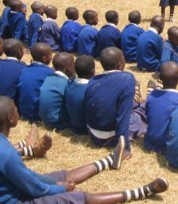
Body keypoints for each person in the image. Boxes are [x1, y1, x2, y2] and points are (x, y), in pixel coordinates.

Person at [0, 96, 169, 204]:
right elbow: (35, 190)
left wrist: (53, 182)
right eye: (15, 109)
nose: (17, 111)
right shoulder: (7, 155)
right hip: (18, 199)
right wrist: (61, 189)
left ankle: (109, 161)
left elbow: (30, 177)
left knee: (63, 175)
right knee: (77, 197)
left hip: (20, 188)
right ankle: (140, 193)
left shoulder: (5, 147)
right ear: (11, 119)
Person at [84, 47, 144, 158]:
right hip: (112, 137)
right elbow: (123, 117)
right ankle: (137, 95)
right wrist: (125, 147)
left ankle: (135, 96)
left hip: (93, 134)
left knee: (131, 104)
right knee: (142, 111)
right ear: (120, 65)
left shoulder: (93, 80)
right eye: (124, 59)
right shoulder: (127, 78)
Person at [144, 61, 178, 155]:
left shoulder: (152, 96)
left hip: (150, 142)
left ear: (160, 78)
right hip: (168, 145)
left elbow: (148, 116)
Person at [17, 42, 54, 122]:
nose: (51, 58)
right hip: (37, 114)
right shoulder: (50, 73)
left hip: (23, 111)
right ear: (44, 58)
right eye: (50, 55)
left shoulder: (24, 69)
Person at [39, 52, 75, 130]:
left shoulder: (48, 78)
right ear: (68, 67)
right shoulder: (67, 84)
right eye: (73, 65)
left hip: (44, 119)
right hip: (58, 123)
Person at [65, 55, 95, 134]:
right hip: (86, 128)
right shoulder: (92, 89)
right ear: (93, 71)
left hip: (73, 125)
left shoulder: (69, 83)